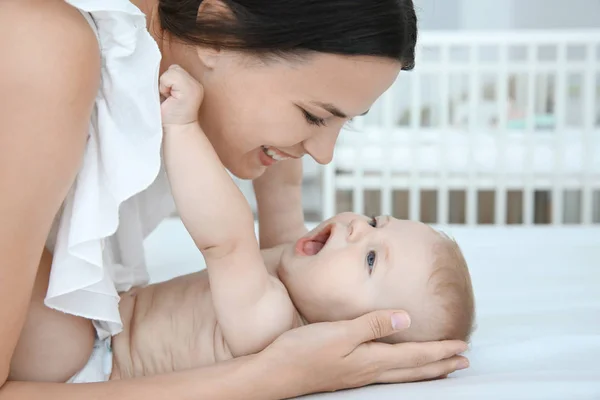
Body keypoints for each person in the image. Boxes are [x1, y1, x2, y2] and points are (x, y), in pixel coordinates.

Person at [0, 0, 470, 398]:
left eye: (344, 122)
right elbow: (229, 238)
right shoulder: (47, 48)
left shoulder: (174, 77)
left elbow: (251, 231)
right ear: (217, 32)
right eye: (312, 115)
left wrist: (284, 206)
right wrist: (271, 377)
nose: (324, 156)